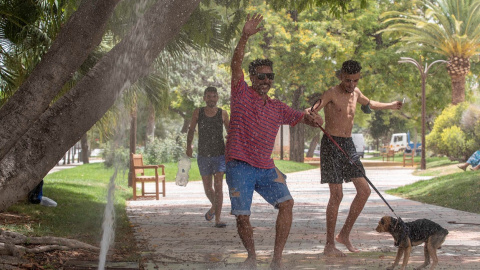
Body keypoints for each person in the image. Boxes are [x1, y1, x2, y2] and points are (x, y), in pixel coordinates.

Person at [226, 14, 323, 269]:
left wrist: (312, 119)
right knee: (242, 215)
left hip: (266, 167)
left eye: (270, 76)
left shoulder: (277, 107)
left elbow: (301, 116)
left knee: (287, 204)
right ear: (252, 77)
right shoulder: (240, 93)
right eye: (261, 76)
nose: (266, 81)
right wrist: (245, 35)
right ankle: (252, 256)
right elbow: (235, 64)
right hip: (240, 165)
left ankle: (277, 259)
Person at [310, 60, 402, 257]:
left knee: (364, 190)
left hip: (348, 144)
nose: (351, 84)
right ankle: (329, 245)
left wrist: (392, 106)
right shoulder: (331, 93)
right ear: (341, 76)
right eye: (348, 80)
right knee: (337, 196)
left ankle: (344, 234)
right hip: (331, 144)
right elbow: (313, 109)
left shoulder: (357, 93)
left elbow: (371, 104)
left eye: (355, 80)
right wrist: (313, 116)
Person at [186, 86, 230, 228]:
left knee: (218, 187)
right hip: (204, 155)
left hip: (219, 155)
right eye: (209, 96)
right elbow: (191, 129)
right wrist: (188, 146)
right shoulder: (198, 112)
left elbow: (231, 132)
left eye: (214, 96)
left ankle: (218, 218)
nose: (212, 99)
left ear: (217, 98)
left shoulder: (223, 113)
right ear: (204, 98)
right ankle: (214, 207)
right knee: (207, 188)